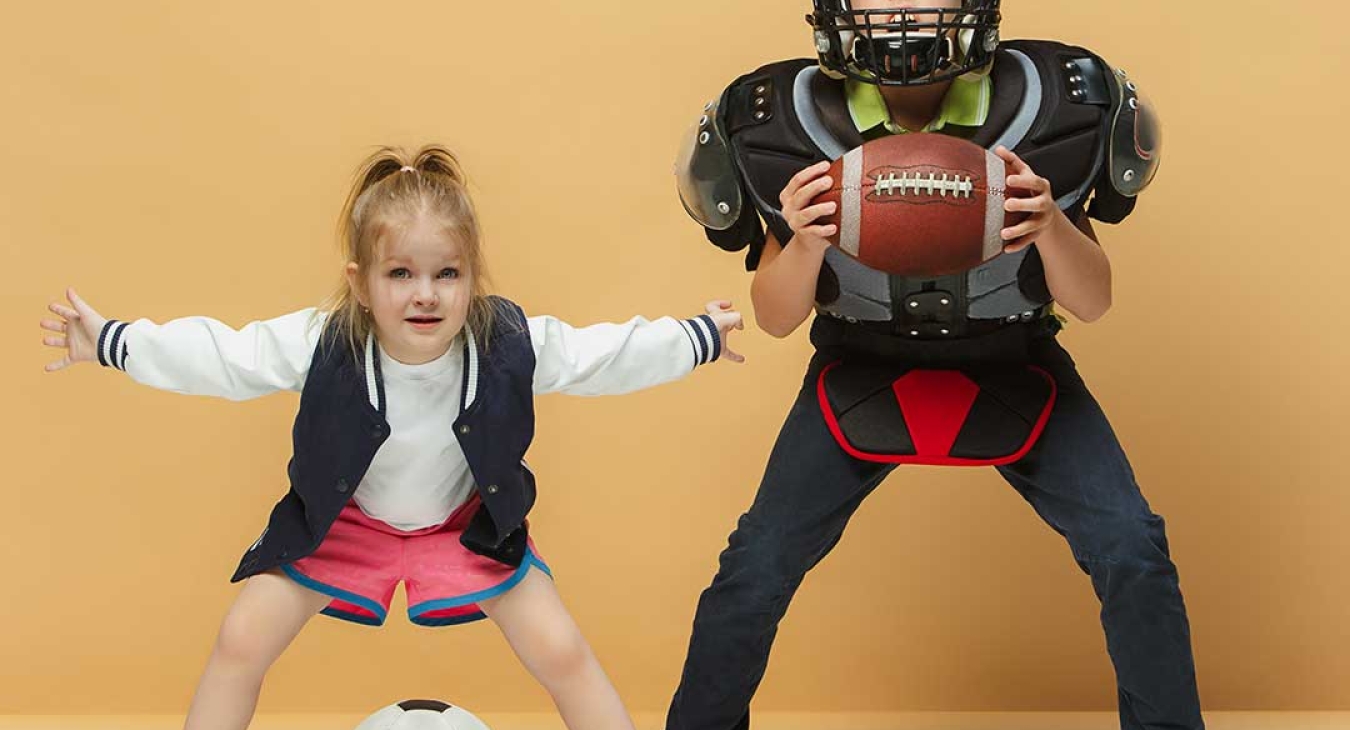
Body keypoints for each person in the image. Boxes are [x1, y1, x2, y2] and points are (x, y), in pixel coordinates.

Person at [40, 145, 744, 730]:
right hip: (345, 525)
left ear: (473, 277)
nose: (425, 294)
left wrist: (699, 337)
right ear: (360, 282)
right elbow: (225, 356)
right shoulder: (326, 341)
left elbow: (603, 357)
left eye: (447, 274)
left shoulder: (504, 341)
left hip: (465, 528)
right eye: (400, 274)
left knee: (561, 651)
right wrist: (111, 342)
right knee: (240, 640)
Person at [669, 2, 1202, 729]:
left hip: (1014, 359)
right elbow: (775, 317)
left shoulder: (1051, 108)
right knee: (757, 564)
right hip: (859, 364)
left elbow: (1094, 302)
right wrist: (802, 241)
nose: (901, 15)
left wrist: (1049, 225)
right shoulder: (781, 123)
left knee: (1131, 546)